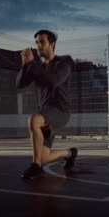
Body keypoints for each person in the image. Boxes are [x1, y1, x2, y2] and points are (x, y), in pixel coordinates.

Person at [16, 29, 77, 180]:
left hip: (60, 111)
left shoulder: (64, 62)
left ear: (52, 44)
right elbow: (19, 84)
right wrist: (25, 66)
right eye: (36, 42)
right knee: (44, 157)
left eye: (42, 42)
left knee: (33, 120)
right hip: (46, 113)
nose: (38, 46)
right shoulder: (36, 66)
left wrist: (32, 64)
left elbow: (52, 81)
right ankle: (70, 153)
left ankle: (36, 166)